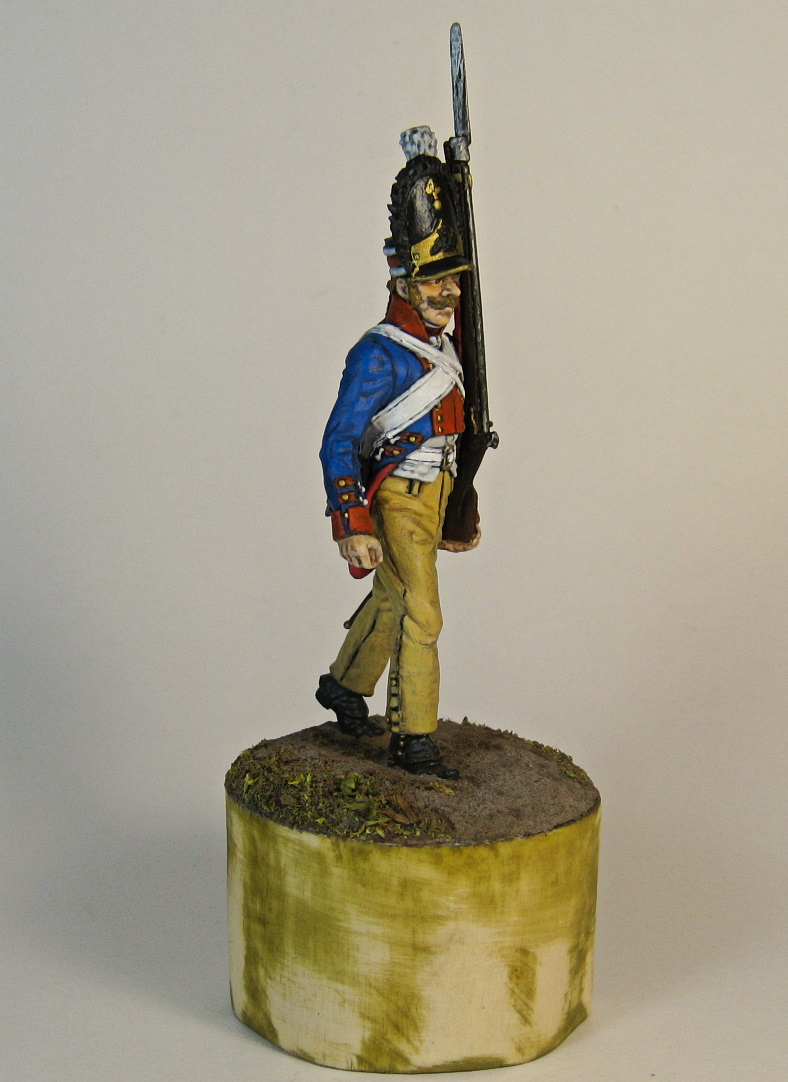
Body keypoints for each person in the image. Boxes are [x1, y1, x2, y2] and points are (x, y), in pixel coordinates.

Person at [317, 127, 480, 779]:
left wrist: (462, 504)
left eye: (454, 280)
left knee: (392, 597)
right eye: (435, 281)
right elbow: (339, 441)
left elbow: (459, 433)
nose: (449, 294)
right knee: (422, 612)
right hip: (396, 497)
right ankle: (414, 739)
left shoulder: (447, 345)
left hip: (435, 491)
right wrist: (352, 523)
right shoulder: (379, 354)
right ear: (405, 283)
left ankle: (344, 684)